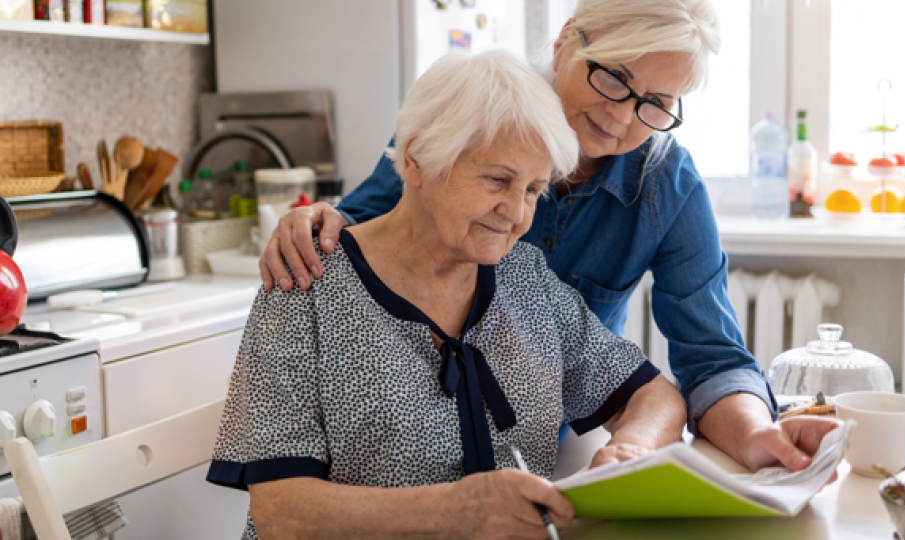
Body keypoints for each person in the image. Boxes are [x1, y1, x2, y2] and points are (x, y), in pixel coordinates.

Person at [259, 0, 841, 477]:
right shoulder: (471, 113)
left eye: (656, 104)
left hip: (543, 446)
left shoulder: (667, 184)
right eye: (615, 76)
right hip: (403, 444)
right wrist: (314, 220)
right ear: (566, 41)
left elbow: (711, 357)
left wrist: (758, 434)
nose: (622, 116)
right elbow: (359, 233)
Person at [209, 50, 689, 539]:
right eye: (498, 180)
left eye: (532, 190)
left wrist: (631, 450)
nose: (516, 215)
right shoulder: (307, 283)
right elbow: (281, 513)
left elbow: (655, 397)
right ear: (416, 158)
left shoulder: (526, 279)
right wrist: (457, 512)